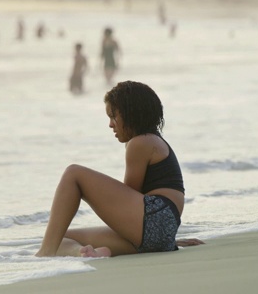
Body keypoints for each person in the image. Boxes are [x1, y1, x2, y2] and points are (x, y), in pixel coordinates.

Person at [36, 81, 204, 258]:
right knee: (61, 236)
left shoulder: (140, 143)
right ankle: (83, 252)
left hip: (154, 219)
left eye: (113, 116)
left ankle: (44, 254)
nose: (110, 124)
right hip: (158, 230)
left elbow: (129, 195)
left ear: (131, 114)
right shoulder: (153, 141)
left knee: (73, 173)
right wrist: (168, 240)